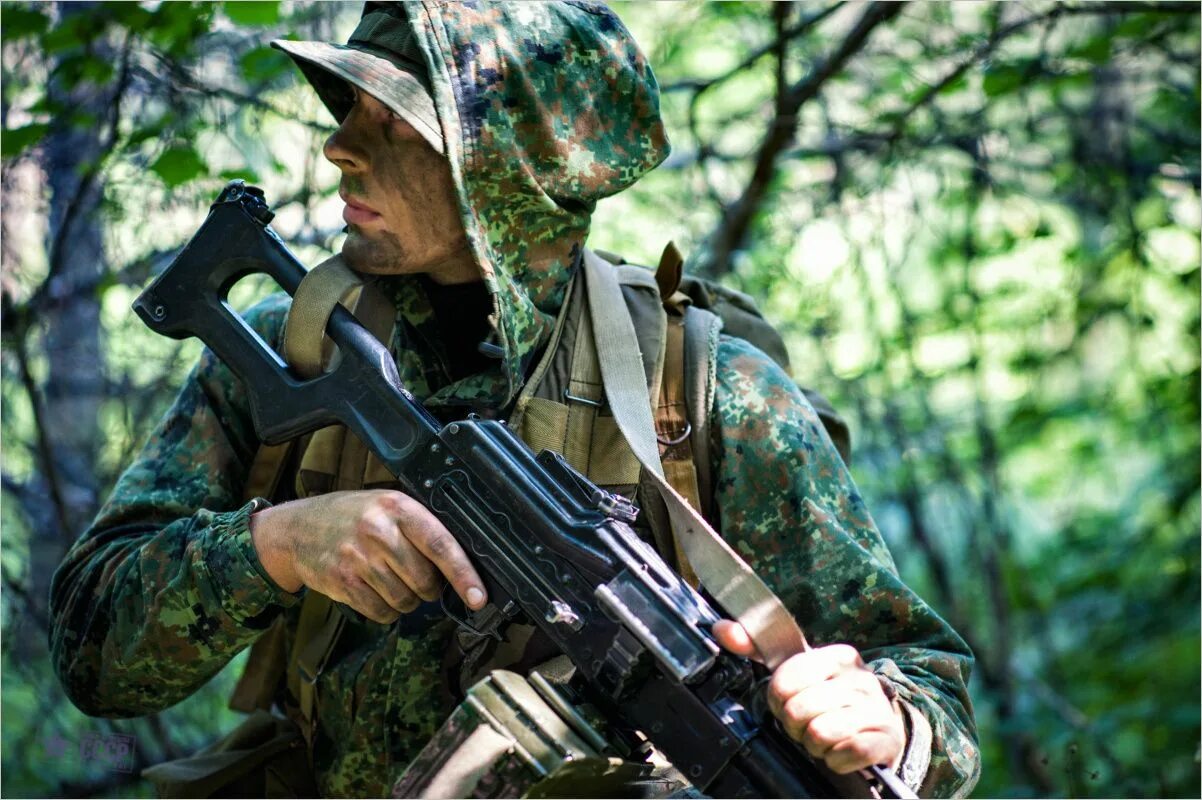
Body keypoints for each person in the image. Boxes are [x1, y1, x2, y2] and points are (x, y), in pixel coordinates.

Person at [49, 2, 980, 797]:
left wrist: (885, 724)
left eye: (396, 124)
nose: (338, 148)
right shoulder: (290, 348)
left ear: (507, 168)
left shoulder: (710, 391)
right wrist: (277, 547)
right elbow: (91, 650)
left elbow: (929, 689)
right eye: (348, 110)